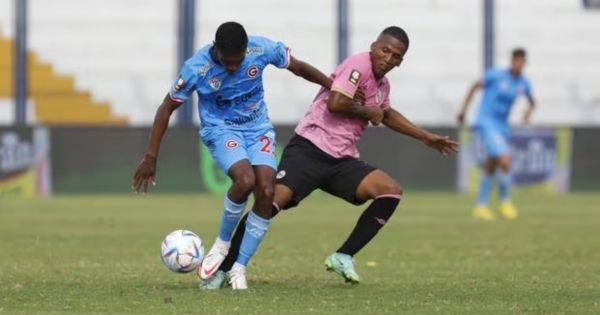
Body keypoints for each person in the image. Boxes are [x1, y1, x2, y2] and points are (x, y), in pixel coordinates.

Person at [200, 26, 459, 289]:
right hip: (309, 150)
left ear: (400, 62)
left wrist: (425, 136)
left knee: (390, 191)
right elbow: (336, 102)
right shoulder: (358, 65)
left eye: (395, 56)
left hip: (341, 160)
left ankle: (343, 255)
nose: (388, 58)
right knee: (268, 203)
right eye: (385, 50)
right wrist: (367, 111)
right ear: (373, 47)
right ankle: (225, 267)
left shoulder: (383, 86)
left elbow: (386, 113)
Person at [131, 21, 333, 289]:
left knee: (266, 190)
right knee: (245, 180)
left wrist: (331, 84)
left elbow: (297, 67)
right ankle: (222, 244)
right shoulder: (197, 68)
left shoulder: (261, 49)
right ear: (216, 50)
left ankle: (239, 268)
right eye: (227, 62)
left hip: (258, 128)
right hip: (221, 129)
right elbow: (166, 108)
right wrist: (151, 156)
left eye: (237, 61)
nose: (232, 68)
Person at [457, 48, 536, 220]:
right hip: (486, 121)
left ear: (524, 63)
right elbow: (474, 86)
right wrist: (464, 110)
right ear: (512, 60)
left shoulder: (524, 82)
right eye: (516, 60)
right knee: (505, 160)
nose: (518, 64)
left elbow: (532, 100)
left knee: (491, 165)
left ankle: (480, 206)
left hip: (502, 126)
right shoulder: (496, 75)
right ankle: (505, 202)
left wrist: (528, 112)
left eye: (521, 61)